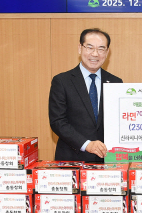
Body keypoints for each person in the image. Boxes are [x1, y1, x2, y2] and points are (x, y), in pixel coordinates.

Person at [49, 28, 123, 162]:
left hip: (106, 159)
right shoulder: (62, 81)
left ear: (107, 53)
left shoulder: (115, 82)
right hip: (71, 159)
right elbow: (58, 122)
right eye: (90, 47)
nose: (95, 54)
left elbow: (120, 121)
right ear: (80, 48)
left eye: (101, 49)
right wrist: (86, 144)